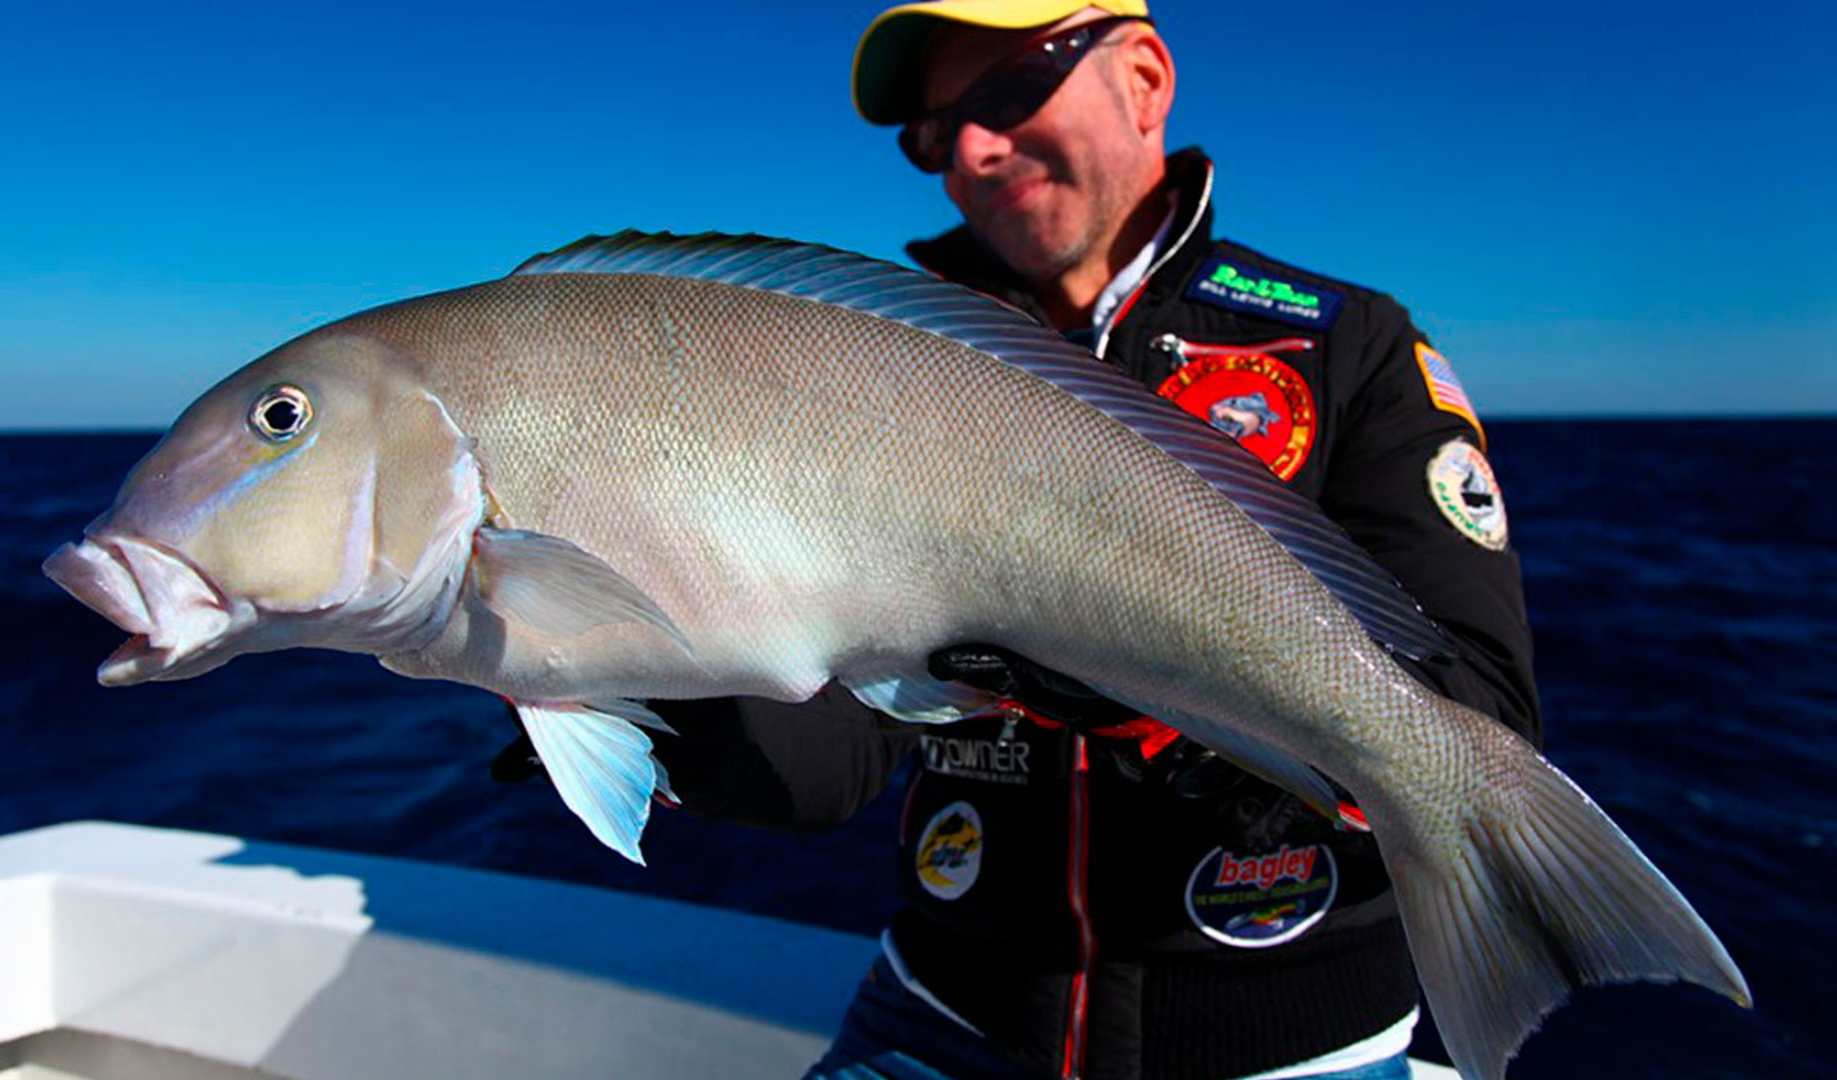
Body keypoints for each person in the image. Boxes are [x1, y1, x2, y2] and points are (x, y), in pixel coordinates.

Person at [495, 3, 1540, 1078]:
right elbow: (835, 757)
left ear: (1144, 78)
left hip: (1292, 1048)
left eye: (1008, 89)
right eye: (934, 133)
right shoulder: (870, 368)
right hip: (941, 1025)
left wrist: (1174, 712)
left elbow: (1479, 713)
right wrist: (639, 679)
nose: (973, 151)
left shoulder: (1345, 343)